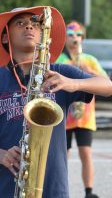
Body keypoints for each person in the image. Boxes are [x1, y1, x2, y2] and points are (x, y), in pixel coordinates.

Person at [0, 6, 112, 198]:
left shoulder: (60, 73)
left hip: (52, 187)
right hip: (3, 188)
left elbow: (107, 85)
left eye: (35, 24)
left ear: (44, 35)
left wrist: (72, 83)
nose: (29, 27)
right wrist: (2, 156)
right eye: (20, 23)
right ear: (5, 37)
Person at [56, 21, 107, 198]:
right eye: (70, 35)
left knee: (86, 153)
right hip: (64, 117)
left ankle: (89, 191)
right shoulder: (61, 60)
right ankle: (61, 189)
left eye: (78, 35)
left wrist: (89, 71)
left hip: (85, 117)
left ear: (83, 39)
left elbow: (106, 83)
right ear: (65, 39)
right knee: (63, 156)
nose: (74, 38)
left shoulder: (90, 60)